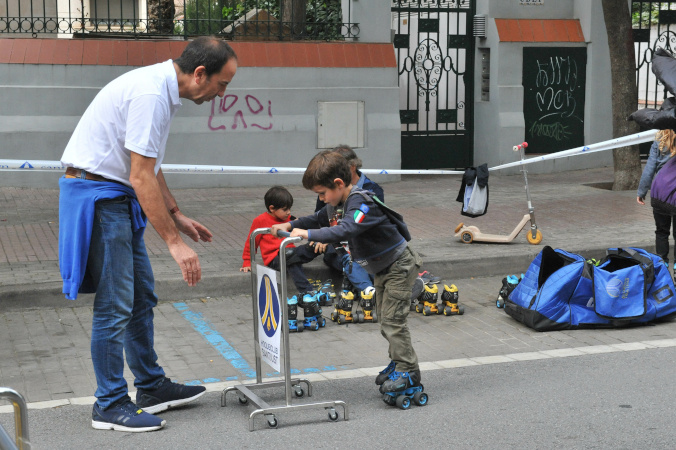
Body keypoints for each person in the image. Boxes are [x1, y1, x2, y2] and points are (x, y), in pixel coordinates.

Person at [59, 36, 238, 432]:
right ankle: (108, 404)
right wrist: (174, 244)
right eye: (223, 84)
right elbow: (139, 175)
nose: (222, 93)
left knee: (140, 297)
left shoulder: (161, 90)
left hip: (113, 196)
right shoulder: (151, 95)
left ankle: (152, 388)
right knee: (115, 306)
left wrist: (176, 216)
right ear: (199, 74)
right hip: (101, 198)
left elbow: (149, 166)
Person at [271, 151, 424, 396]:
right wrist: (289, 225)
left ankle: (409, 371)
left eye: (322, 193)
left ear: (339, 184)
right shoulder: (336, 204)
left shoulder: (362, 202)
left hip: (399, 265)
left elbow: (347, 228)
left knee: (394, 321)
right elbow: (318, 217)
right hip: (383, 267)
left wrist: (305, 234)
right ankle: (399, 360)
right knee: (385, 321)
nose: (321, 199)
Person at [240, 186, 321, 297]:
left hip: (291, 252)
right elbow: (252, 241)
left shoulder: (289, 219)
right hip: (274, 259)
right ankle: (307, 291)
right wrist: (247, 261)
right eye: (285, 209)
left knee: (312, 246)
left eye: (289, 208)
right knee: (289, 258)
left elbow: (302, 229)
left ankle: (316, 247)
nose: (289, 212)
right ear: (272, 208)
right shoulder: (260, 220)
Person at [642, 129, 676, 269]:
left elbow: (650, 168)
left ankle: (662, 267)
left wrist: (641, 191)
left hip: (659, 192)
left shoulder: (659, 140)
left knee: (661, 231)